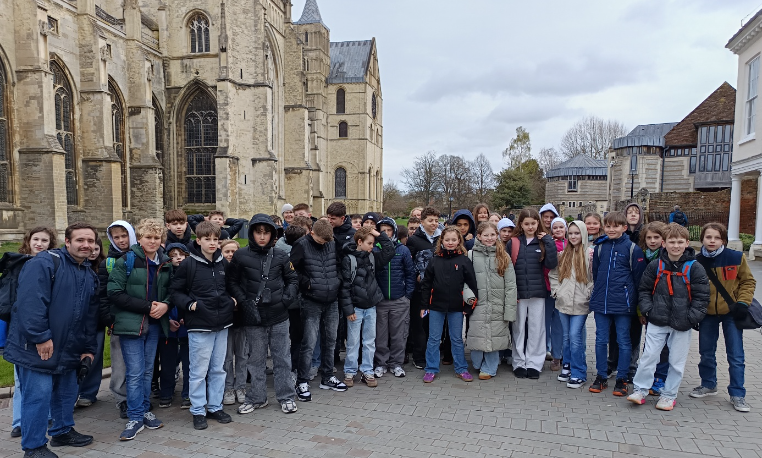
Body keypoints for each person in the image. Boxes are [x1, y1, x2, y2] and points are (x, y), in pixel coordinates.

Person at [5, 223, 99, 458]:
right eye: (80, 240)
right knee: (38, 397)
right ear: (67, 242)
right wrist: (41, 337)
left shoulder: (88, 273)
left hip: (69, 347)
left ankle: (62, 431)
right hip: (38, 347)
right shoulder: (44, 263)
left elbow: (89, 315)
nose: (86, 245)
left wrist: (88, 348)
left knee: (66, 393)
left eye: (90, 241)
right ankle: (34, 447)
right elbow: (30, 303)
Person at [628, 223, 709, 411]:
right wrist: (648, 310)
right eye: (672, 242)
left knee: (676, 362)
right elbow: (644, 290)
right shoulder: (656, 265)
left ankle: (669, 395)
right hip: (657, 319)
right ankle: (640, 390)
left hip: (683, 323)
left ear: (687, 243)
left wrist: (691, 318)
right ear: (664, 243)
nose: (676, 246)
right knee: (649, 356)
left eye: (680, 242)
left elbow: (702, 297)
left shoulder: (695, 268)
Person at [227, 214, 300, 414]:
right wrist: (244, 301)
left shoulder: (281, 256)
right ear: (252, 233)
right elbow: (232, 281)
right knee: (256, 359)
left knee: (282, 358)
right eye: (258, 232)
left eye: (266, 233)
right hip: (254, 316)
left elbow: (293, 279)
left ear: (272, 235)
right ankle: (257, 397)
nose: (262, 237)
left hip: (279, 315)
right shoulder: (240, 256)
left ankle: (286, 396)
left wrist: (286, 300)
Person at [109, 219, 172, 441]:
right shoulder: (126, 260)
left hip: (154, 324)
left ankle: (144, 409)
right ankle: (135, 416)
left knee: (147, 371)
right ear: (139, 238)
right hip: (132, 324)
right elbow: (115, 292)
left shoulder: (165, 262)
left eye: (156, 238)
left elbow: (172, 290)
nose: (152, 241)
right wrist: (147, 307)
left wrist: (165, 305)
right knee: (135, 372)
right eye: (148, 237)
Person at [170, 221, 236, 430]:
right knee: (198, 371)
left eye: (216, 239)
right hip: (199, 325)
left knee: (218, 369)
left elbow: (231, 286)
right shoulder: (188, 265)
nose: (212, 243)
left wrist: (232, 300)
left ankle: (215, 406)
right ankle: (198, 410)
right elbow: (176, 291)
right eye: (207, 239)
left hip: (222, 324)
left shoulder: (223, 263)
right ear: (198, 240)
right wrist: (190, 304)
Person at [693, 222, 756, 412]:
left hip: (732, 312)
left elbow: (748, 281)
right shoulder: (696, 261)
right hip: (707, 314)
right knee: (706, 352)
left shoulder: (736, 257)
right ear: (702, 239)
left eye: (717, 238)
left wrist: (743, 303)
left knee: (735, 355)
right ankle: (708, 384)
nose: (712, 241)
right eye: (708, 237)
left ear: (724, 240)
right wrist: (695, 311)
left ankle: (737, 393)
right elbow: (691, 287)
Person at [3, 227, 57, 440]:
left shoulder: (53, 265)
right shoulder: (19, 264)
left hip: (45, 326)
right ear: (28, 241)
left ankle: (47, 415)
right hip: (20, 326)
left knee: (46, 373)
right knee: (21, 379)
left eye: (44, 240)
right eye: (36, 239)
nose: (39, 244)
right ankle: (19, 421)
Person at [589, 211, 646, 397]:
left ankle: (622, 378)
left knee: (623, 340)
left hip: (623, 304)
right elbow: (596, 274)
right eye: (608, 226)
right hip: (602, 302)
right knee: (600, 340)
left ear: (624, 227)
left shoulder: (633, 249)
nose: (611, 229)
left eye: (616, 226)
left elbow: (638, 279)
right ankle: (601, 376)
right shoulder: (600, 248)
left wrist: (636, 305)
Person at [291, 219, 348, 401]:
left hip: (332, 299)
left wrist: (337, 281)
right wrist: (307, 284)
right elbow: (292, 270)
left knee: (330, 340)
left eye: (327, 240)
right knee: (309, 343)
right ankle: (302, 380)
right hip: (311, 300)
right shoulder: (301, 245)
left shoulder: (331, 241)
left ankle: (327, 376)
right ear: (312, 233)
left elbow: (339, 263)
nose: (324, 243)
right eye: (321, 240)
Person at [420, 226, 477, 383]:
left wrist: (468, 306)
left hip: (457, 308)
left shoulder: (464, 261)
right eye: (447, 240)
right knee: (433, 339)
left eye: (453, 239)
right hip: (436, 307)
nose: (450, 242)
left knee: (457, 339)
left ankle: (461, 368)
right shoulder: (434, 260)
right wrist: (424, 306)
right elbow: (426, 284)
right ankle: (431, 369)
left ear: (459, 241)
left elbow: (472, 285)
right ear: (442, 241)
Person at [340, 227, 395, 388]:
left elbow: (389, 250)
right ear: (359, 242)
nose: (372, 246)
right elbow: (344, 287)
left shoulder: (372, 257)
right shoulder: (348, 259)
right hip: (355, 308)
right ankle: (350, 371)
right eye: (370, 243)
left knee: (369, 341)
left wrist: (378, 234)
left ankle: (367, 371)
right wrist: (349, 309)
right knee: (353, 342)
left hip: (371, 306)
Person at [508, 208, 558, 379]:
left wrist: (549, 242)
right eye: (527, 223)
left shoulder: (543, 242)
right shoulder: (514, 242)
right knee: (518, 329)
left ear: (538, 223)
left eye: (533, 223)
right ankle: (519, 362)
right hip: (519, 292)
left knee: (537, 329)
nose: (530, 227)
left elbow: (551, 264)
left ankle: (534, 363)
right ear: (521, 224)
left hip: (538, 292)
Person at [463, 222, 517, 380]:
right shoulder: (471, 255)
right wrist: (468, 297)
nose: (489, 238)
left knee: (495, 337)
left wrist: (509, 310)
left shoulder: (503, 256)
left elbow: (511, 285)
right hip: (477, 304)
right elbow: (463, 280)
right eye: (485, 235)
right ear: (479, 236)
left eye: (492, 235)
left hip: (497, 305)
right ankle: (478, 363)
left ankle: (490, 367)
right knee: (477, 335)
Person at [98, 221, 138, 420]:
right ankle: (122, 398)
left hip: (141, 317)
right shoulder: (108, 263)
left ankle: (138, 396)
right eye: (117, 237)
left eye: (124, 235)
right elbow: (103, 294)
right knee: (120, 362)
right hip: (119, 319)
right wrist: (109, 320)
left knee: (139, 363)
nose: (121, 240)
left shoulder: (142, 256)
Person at [549, 221, 592, 389]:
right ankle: (567, 364)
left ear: (583, 234)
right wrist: (556, 291)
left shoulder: (589, 254)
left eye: (577, 233)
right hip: (563, 301)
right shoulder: (563, 254)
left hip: (580, 303)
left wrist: (588, 293)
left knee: (575, 337)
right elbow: (554, 274)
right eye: (571, 233)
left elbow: (593, 277)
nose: (573, 236)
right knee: (566, 337)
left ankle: (579, 372)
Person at [373, 218, 416, 379]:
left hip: (399, 299)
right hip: (380, 300)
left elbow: (410, 273)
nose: (386, 233)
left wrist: (407, 295)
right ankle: (381, 363)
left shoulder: (402, 250)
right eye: (382, 230)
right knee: (380, 335)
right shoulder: (375, 249)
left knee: (399, 334)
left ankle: (396, 363)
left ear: (394, 232)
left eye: (389, 230)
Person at [608, 202, 646, 383]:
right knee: (615, 330)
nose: (633, 215)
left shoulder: (643, 236)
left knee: (634, 332)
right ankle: (613, 362)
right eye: (629, 212)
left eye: (636, 212)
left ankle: (631, 365)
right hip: (618, 291)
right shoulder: (618, 236)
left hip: (635, 287)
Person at [406, 207, 442, 370]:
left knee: (433, 324)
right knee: (420, 324)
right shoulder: (414, 240)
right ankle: (419, 356)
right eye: (430, 220)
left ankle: (432, 354)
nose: (434, 223)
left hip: (438, 289)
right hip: (420, 290)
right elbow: (409, 263)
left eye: (436, 220)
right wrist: (416, 276)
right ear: (422, 222)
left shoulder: (441, 238)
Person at [637, 221, 669, 395]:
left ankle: (660, 377)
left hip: (665, 307)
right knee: (649, 346)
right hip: (648, 306)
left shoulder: (667, 257)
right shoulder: (642, 255)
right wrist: (642, 310)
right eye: (649, 237)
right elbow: (641, 286)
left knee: (664, 347)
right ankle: (647, 377)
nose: (653, 241)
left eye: (656, 237)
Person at [158, 243, 191, 409]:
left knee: (189, 363)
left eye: (181, 254)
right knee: (168, 363)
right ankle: (166, 392)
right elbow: (161, 298)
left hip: (187, 326)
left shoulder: (192, 273)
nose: (178, 258)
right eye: (173, 255)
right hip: (168, 326)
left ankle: (188, 394)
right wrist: (168, 320)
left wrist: (188, 317)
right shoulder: (163, 274)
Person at [218, 239, 247, 406]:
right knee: (227, 357)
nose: (230, 254)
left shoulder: (243, 270)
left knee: (242, 355)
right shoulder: (218, 270)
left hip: (242, 319)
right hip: (225, 320)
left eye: (233, 251)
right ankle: (228, 387)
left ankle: (241, 386)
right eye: (227, 251)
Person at [546, 217, 567, 371]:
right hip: (548, 289)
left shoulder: (571, 244)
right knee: (546, 325)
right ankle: (547, 353)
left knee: (559, 326)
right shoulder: (549, 243)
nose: (558, 230)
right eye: (555, 227)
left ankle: (558, 355)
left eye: (561, 227)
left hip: (564, 290)